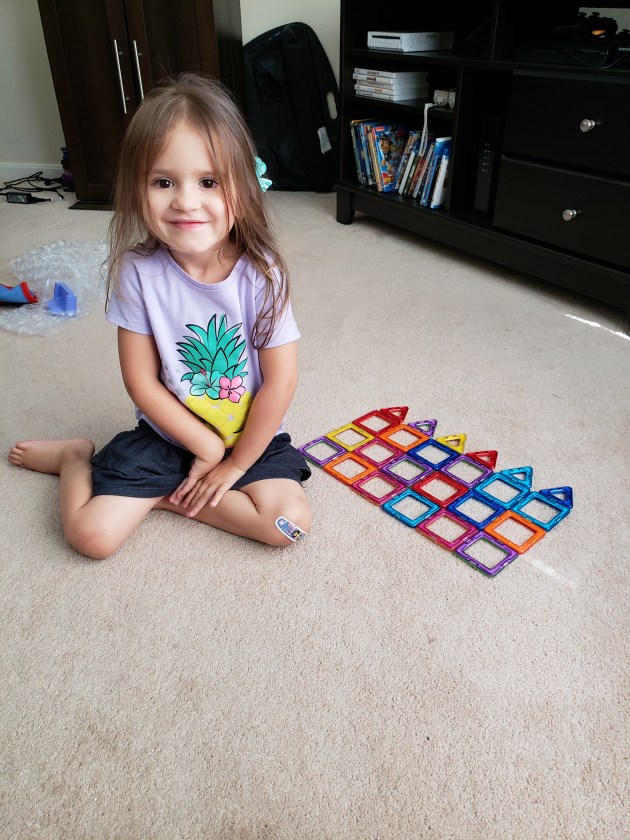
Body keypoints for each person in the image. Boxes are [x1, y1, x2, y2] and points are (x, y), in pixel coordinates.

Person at [8, 73, 311, 559]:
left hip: (250, 437)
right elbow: (142, 382)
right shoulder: (136, 271)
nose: (186, 201)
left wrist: (233, 466)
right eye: (163, 181)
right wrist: (206, 450)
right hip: (168, 436)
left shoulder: (262, 272)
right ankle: (73, 457)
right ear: (137, 187)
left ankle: (163, 496)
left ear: (243, 186)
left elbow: (281, 382)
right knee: (91, 538)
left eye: (209, 182)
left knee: (287, 525)